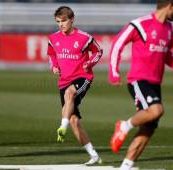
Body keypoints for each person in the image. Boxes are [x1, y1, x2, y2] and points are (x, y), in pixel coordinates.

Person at [109, 0, 173, 169]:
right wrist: (114, 72)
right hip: (138, 80)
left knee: (149, 127)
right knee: (157, 110)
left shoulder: (168, 29)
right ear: (170, 5)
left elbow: (167, 52)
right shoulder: (141, 24)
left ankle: (126, 165)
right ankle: (124, 125)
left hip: (155, 83)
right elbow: (117, 43)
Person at [47, 6, 103, 165]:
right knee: (74, 121)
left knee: (69, 94)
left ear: (72, 20)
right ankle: (94, 156)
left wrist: (89, 63)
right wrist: (54, 66)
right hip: (63, 80)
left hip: (82, 77)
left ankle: (61, 127)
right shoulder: (53, 38)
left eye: (63, 21)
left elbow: (98, 51)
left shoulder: (84, 37)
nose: (61, 24)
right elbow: (51, 54)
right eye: (58, 22)